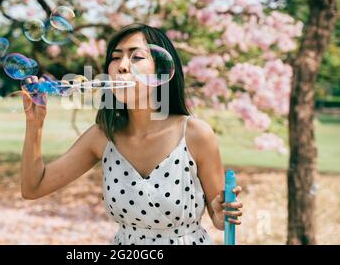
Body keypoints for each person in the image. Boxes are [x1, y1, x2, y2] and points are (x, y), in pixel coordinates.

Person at [20, 23, 243, 245]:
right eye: (115, 58)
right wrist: (34, 124)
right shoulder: (103, 136)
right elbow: (33, 188)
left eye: (136, 57)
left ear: (162, 70)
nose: (122, 66)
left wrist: (222, 214)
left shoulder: (195, 134)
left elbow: (219, 218)